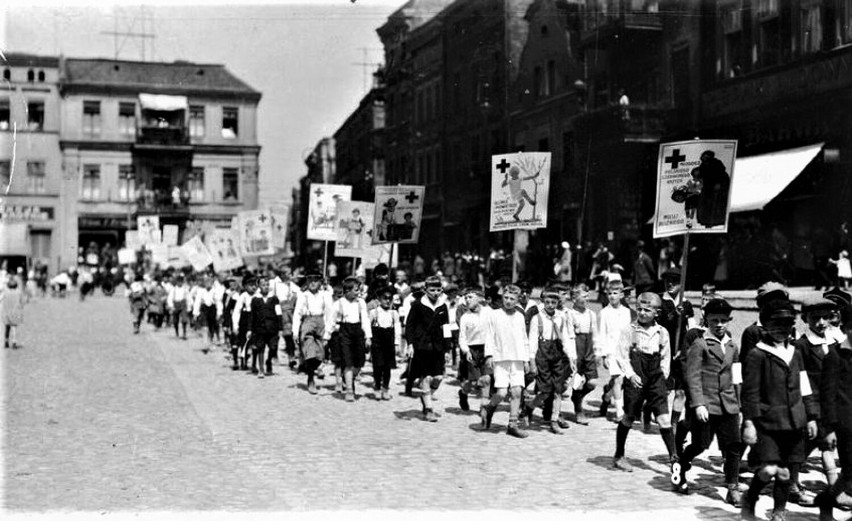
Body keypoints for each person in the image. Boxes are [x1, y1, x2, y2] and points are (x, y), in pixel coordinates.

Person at [740, 299, 818, 521]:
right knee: (770, 469)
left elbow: (804, 386)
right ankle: (750, 497)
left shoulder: (796, 352)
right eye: (776, 324)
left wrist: (811, 416)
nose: (782, 329)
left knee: (786, 472)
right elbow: (750, 392)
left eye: (787, 324)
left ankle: (779, 512)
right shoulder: (758, 354)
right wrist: (749, 423)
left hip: (795, 423)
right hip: (768, 423)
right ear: (765, 325)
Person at [674, 298, 743, 506]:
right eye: (715, 320)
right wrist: (698, 404)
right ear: (707, 320)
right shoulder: (700, 344)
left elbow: (736, 376)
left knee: (733, 446)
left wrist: (739, 404)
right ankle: (680, 467)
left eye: (723, 320)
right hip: (707, 405)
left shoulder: (732, 346)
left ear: (729, 320)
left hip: (729, 404)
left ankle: (733, 488)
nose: (719, 324)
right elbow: (693, 376)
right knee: (700, 445)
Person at [612, 292, 677, 474]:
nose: (642, 313)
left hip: (655, 376)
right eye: (639, 309)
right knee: (629, 416)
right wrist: (631, 374)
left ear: (656, 313)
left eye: (647, 310)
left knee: (664, 419)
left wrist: (662, 377)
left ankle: (674, 460)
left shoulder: (662, 332)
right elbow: (621, 355)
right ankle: (619, 455)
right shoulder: (629, 330)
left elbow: (666, 357)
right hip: (636, 376)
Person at [789, 297, 841, 505]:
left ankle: (836, 489)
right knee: (804, 447)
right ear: (805, 319)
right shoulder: (802, 345)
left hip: (834, 403)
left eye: (825, 318)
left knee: (827, 444)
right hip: (813, 405)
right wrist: (810, 412)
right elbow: (802, 380)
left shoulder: (835, 341)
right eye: (815, 318)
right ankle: (791, 484)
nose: (821, 322)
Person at [479, 284, 533, 438]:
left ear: (517, 299)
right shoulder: (494, 314)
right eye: (506, 298)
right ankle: (489, 407)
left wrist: (527, 359)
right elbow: (489, 336)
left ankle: (512, 424)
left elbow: (524, 339)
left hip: (517, 358)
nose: (508, 301)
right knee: (502, 393)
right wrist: (489, 355)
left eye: (512, 299)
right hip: (500, 358)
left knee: (517, 391)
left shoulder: (520, 316)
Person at [814, 303, 852, 520]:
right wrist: (829, 430)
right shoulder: (835, 356)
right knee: (850, 473)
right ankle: (827, 500)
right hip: (845, 426)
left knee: (849, 474)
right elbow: (827, 397)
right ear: (845, 328)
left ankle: (826, 501)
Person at [521, 287, 576, 434]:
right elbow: (532, 342)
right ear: (543, 302)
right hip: (542, 355)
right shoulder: (536, 318)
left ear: (558, 302)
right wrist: (532, 361)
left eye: (553, 302)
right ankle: (529, 407)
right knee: (545, 391)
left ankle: (554, 420)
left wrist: (570, 357)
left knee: (558, 390)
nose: (550, 305)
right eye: (547, 302)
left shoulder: (561, 317)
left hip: (557, 354)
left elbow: (565, 338)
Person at [405, 276, 449, 421]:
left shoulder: (443, 305)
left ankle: (426, 392)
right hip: (421, 345)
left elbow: (446, 327)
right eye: (432, 290)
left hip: (438, 346)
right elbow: (410, 326)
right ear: (425, 290)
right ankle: (428, 409)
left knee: (438, 377)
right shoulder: (417, 305)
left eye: (438, 290)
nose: (436, 293)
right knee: (425, 377)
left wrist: (448, 349)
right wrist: (410, 344)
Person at [325, 277, 371, 401]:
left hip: (358, 332)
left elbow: (365, 319)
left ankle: (347, 378)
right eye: (356, 290)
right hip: (344, 332)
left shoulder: (361, 302)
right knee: (348, 362)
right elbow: (331, 321)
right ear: (347, 291)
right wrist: (326, 337)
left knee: (359, 363)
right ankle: (349, 390)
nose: (358, 293)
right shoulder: (338, 303)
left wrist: (368, 336)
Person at [598, 281, 633, 422]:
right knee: (618, 379)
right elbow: (601, 334)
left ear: (621, 295)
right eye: (610, 293)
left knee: (622, 381)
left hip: (625, 352)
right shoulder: (604, 313)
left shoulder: (626, 312)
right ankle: (620, 412)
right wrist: (603, 354)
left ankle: (607, 397)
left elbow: (630, 332)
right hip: (612, 351)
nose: (612, 296)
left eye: (615, 293)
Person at [293, 271, 333, 393]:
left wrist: (328, 333)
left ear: (321, 282)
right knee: (310, 353)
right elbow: (297, 314)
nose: (313, 283)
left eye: (316, 280)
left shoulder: (325, 295)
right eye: (310, 280)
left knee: (320, 356)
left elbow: (329, 314)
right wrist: (295, 331)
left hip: (321, 322)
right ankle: (310, 379)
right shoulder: (303, 295)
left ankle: (313, 368)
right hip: (308, 322)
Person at [457, 288, 491, 413]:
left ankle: (484, 407)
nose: (467, 300)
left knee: (486, 379)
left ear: (480, 298)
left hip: (486, 348)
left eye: (470, 297)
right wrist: (466, 351)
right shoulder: (465, 317)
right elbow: (462, 338)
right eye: (465, 298)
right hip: (472, 350)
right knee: (472, 382)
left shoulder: (489, 312)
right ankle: (463, 393)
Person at [569, 283, 597, 425]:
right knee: (578, 382)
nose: (587, 298)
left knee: (592, 383)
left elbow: (595, 334)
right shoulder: (570, 314)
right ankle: (578, 410)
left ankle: (577, 397)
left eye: (588, 296)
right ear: (574, 298)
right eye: (583, 296)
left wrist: (597, 352)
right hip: (576, 348)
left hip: (589, 349)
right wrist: (571, 355)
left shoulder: (591, 314)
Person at [368, 286, 400, 400]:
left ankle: (385, 388)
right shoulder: (374, 313)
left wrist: (396, 344)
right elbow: (367, 327)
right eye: (384, 298)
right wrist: (368, 339)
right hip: (377, 342)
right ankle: (377, 387)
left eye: (389, 298)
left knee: (387, 368)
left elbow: (397, 329)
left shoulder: (394, 313)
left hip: (389, 342)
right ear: (379, 299)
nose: (387, 301)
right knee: (378, 366)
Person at [246, 277, 281, 379]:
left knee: (273, 347)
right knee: (260, 348)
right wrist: (249, 329)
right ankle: (261, 369)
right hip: (259, 328)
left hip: (272, 328)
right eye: (263, 285)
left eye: (267, 285)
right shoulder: (255, 300)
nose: (266, 287)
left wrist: (280, 328)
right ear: (259, 287)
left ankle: (269, 361)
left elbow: (278, 313)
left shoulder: (274, 298)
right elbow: (251, 315)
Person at [2, 278, 25, 349]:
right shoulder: (18, 292)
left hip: (6, 312)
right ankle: (14, 341)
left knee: (7, 327)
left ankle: (6, 341)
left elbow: (1, 298)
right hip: (15, 312)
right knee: (14, 327)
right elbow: (22, 302)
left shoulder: (6, 292)